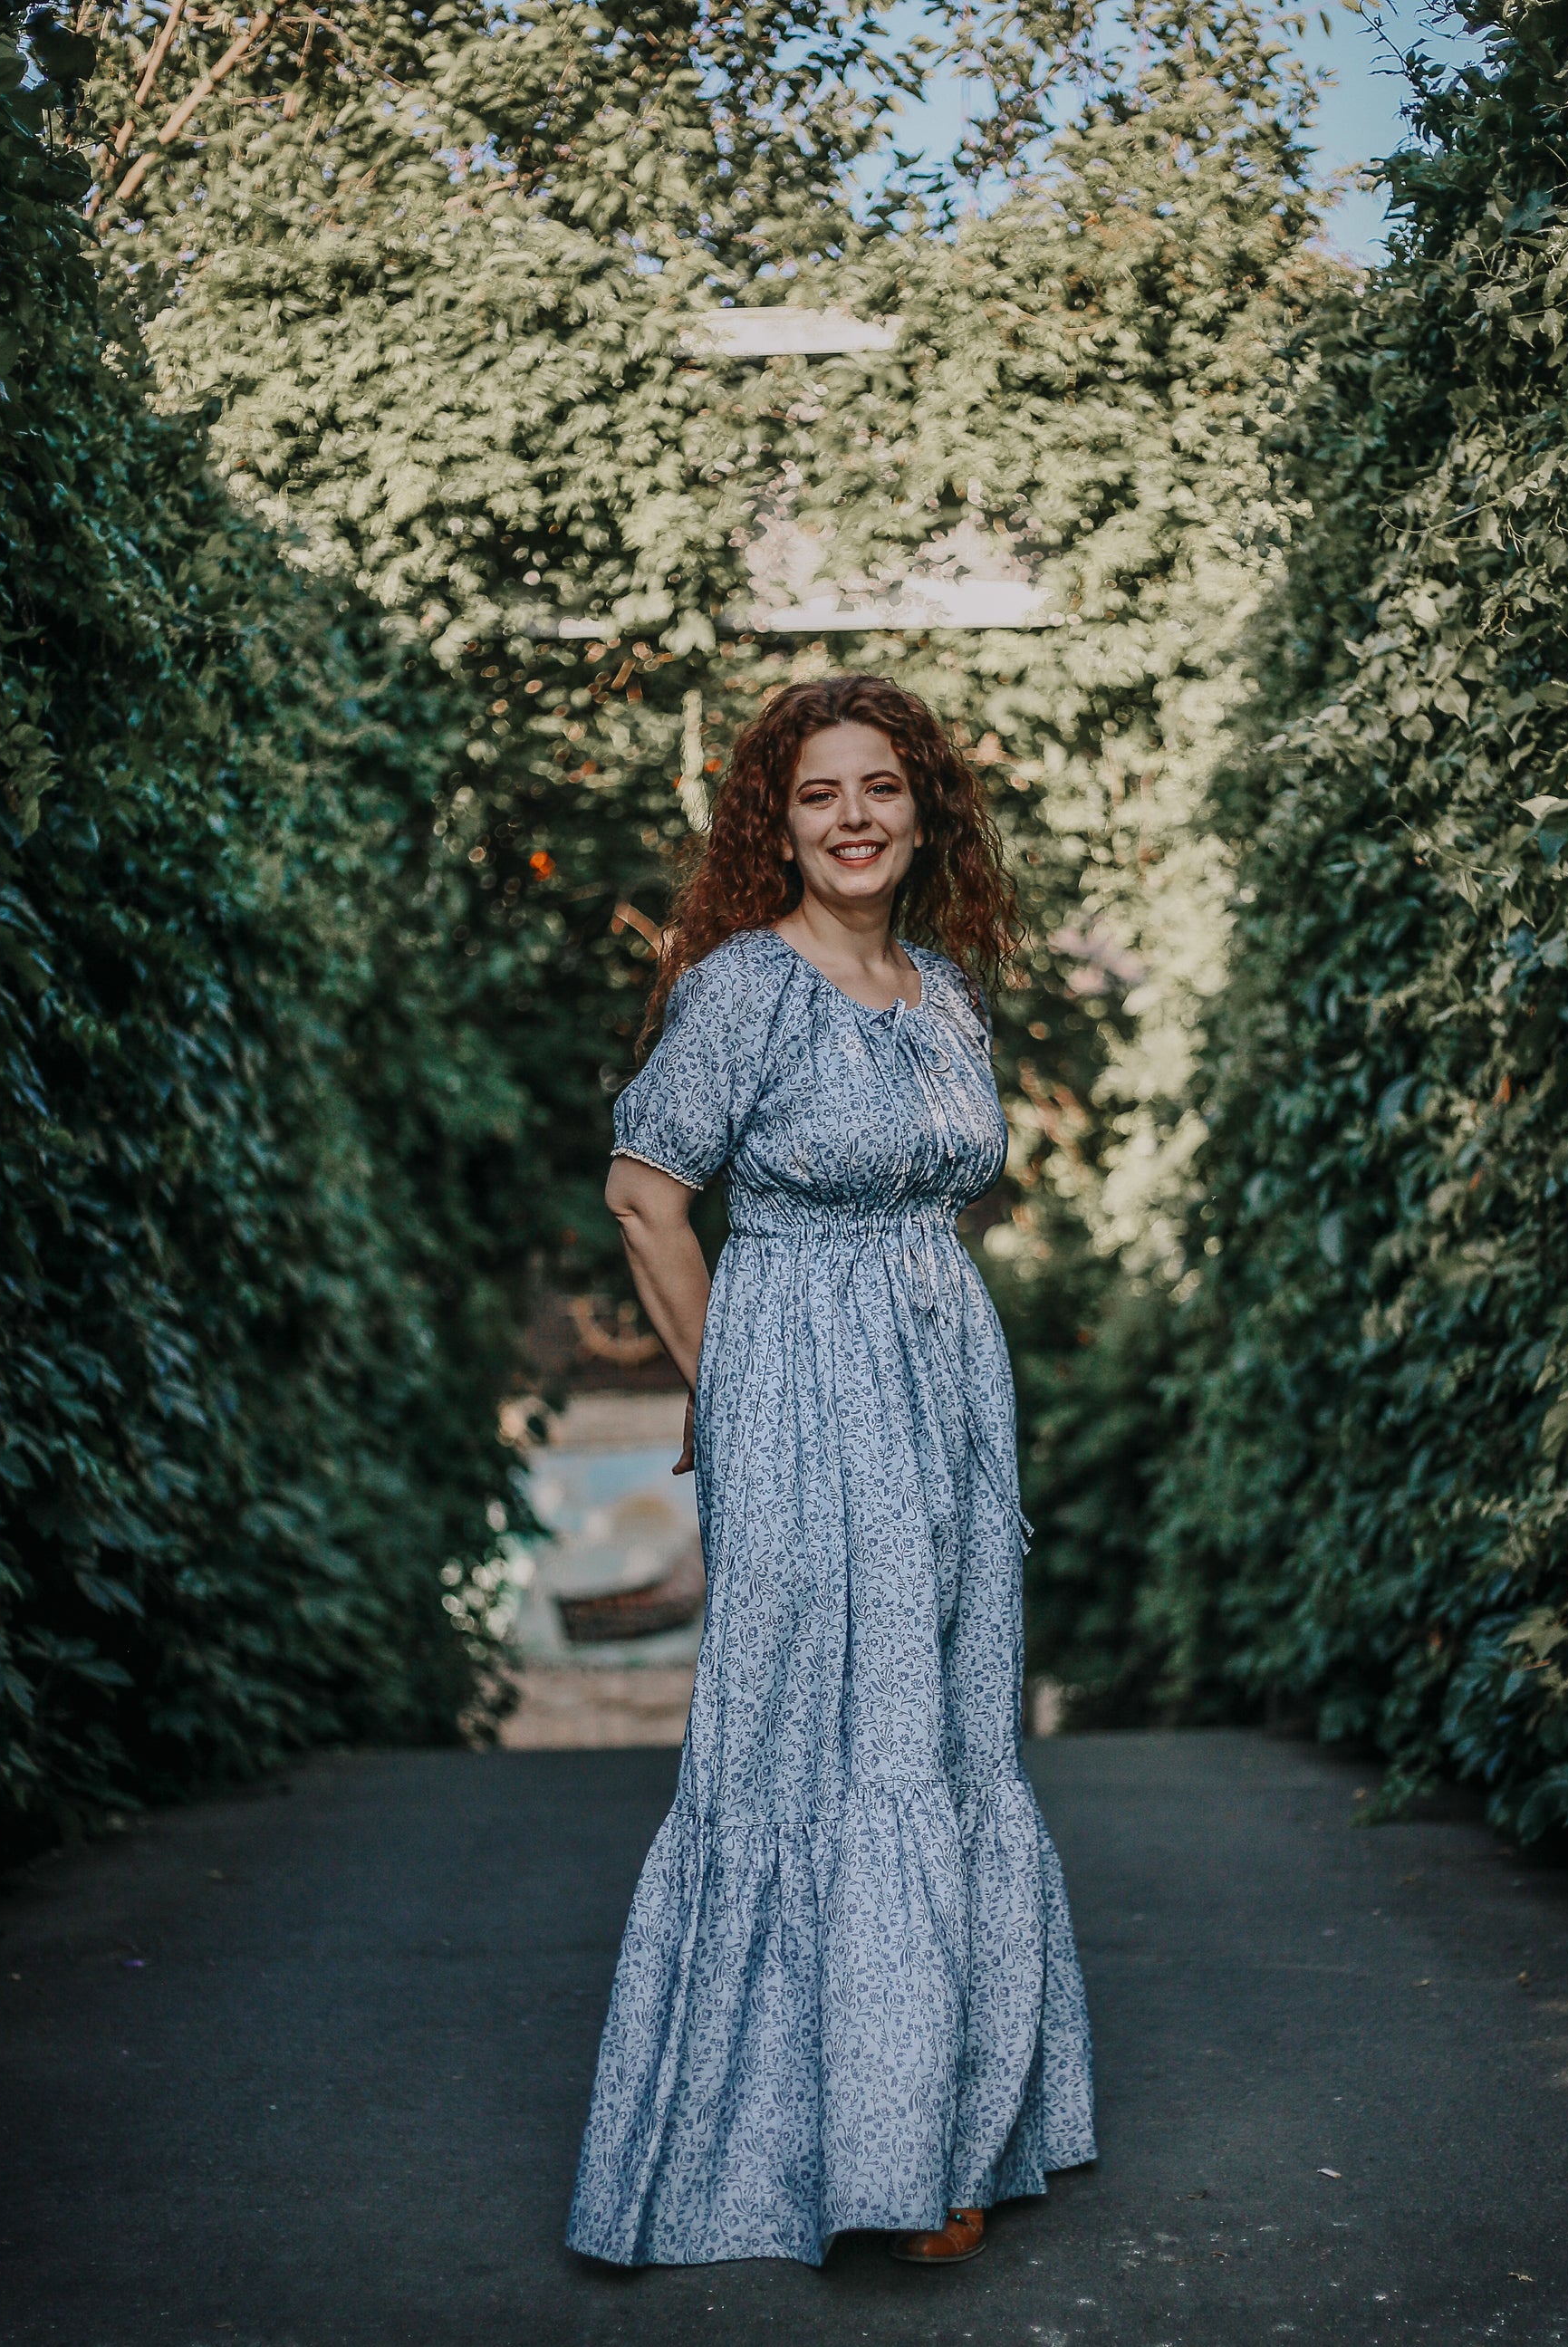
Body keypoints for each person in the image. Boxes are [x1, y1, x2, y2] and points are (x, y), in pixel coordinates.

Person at [565, 674, 1095, 2270]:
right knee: (826, 1749)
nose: (854, 818)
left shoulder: (942, 990)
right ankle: (852, 2153)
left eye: (880, 787)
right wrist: (727, 1394)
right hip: (802, 1390)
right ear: (774, 826)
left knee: (944, 1734)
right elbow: (645, 1197)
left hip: (944, 1388)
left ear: (922, 807)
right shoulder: (742, 990)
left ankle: (952, 2125)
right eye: (817, 795)